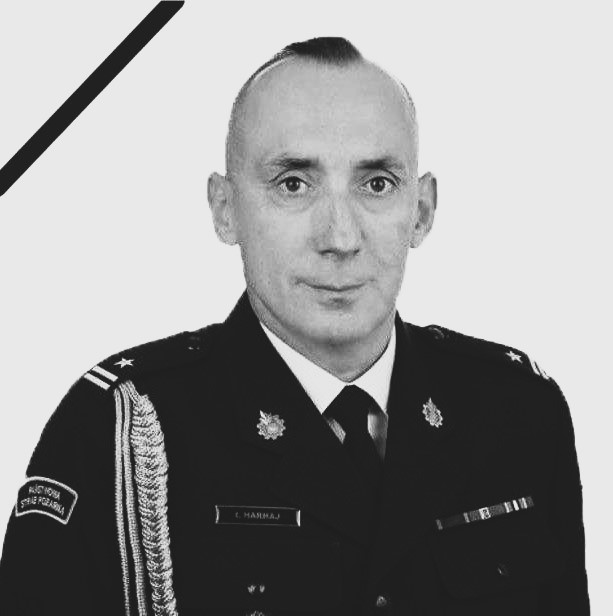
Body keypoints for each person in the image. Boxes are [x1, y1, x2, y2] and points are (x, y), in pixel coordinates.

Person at [0, 37, 589, 615]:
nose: (340, 238)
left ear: (423, 210)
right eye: (293, 184)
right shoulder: (116, 432)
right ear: (225, 209)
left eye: (376, 184)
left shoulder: (517, 413)